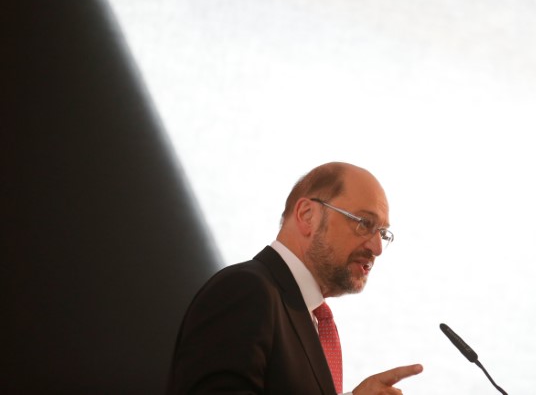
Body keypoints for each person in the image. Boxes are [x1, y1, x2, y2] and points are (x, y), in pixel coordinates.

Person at [166, 161, 423, 394]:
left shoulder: (308, 315)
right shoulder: (246, 291)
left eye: (383, 233)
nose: (377, 248)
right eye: (364, 223)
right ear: (306, 215)